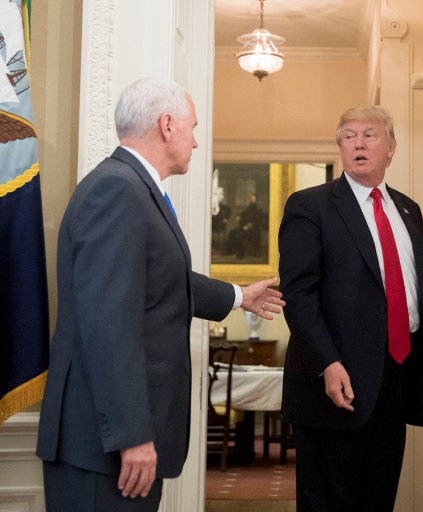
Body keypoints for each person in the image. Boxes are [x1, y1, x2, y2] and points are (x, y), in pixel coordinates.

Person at [36, 77, 286, 512]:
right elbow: (108, 324)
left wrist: (237, 296)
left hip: (108, 442)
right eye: (192, 126)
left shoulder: (131, 187)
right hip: (106, 446)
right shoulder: (119, 190)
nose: (195, 140)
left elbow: (158, 279)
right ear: (167, 125)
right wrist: (132, 434)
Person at [278, 105, 423, 511]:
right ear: (340, 147)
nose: (358, 143)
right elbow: (299, 295)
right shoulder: (310, 206)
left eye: (370, 135)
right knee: (330, 502)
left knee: (377, 499)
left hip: (399, 375)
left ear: (391, 147)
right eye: (349, 136)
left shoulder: (408, 209)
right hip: (336, 381)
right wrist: (327, 362)